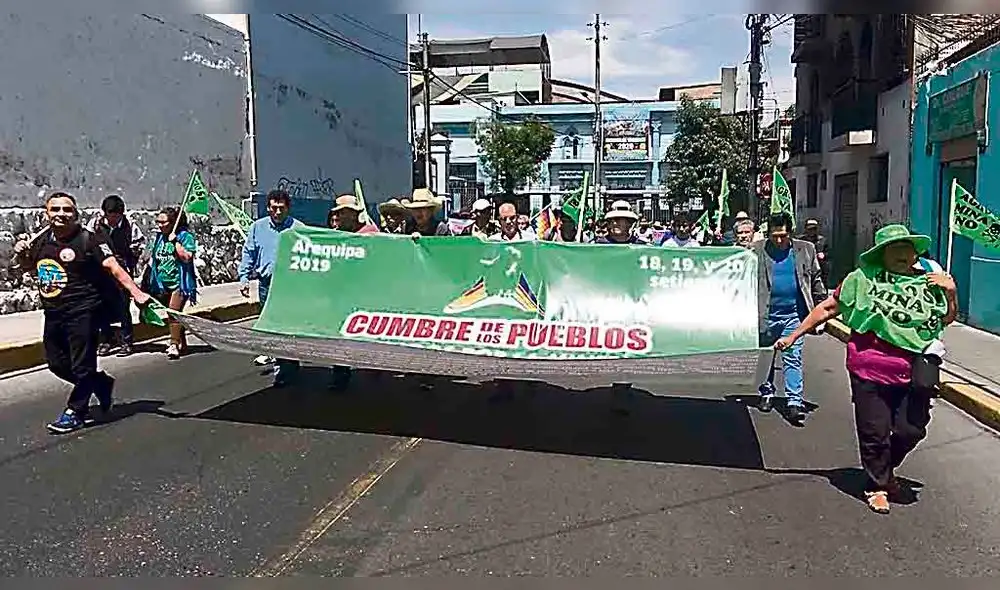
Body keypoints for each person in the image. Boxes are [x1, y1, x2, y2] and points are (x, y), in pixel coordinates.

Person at [775, 224, 957, 514]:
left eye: (907, 248)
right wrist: (794, 335)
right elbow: (828, 308)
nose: (901, 254)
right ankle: (878, 485)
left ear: (914, 254)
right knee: (875, 432)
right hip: (868, 368)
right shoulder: (860, 280)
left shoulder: (930, 282)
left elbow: (945, 320)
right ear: (881, 254)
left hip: (914, 369)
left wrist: (950, 293)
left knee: (912, 429)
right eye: (894, 249)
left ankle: (884, 469)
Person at [12, 192, 152, 434]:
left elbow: (113, 266)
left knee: (82, 365)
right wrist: (21, 252)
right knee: (56, 363)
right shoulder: (42, 239)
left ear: (75, 214)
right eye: (55, 209)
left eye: (67, 210)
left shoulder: (89, 239)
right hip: (54, 311)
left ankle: (75, 411)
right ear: (47, 213)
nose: (61, 214)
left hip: (84, 310)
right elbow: (27, 267)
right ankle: (100, 382)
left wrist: (136, 293)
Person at [751, 212, 827, 423]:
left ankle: (795, 401)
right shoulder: (756, 251)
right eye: (774, 236)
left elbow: (815, 280)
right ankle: (766, 392)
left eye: (783, 236)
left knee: (793, 357)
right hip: (765, 315)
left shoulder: (806, 250)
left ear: (790, 234)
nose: (778, 240)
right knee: (766, 358)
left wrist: (822, 308)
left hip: (794, 315)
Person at [239, 189, 301, 386]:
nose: (277, 212)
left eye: (281, 208)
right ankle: (282, 367)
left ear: (288, 209)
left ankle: (288, 366)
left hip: (290, 286)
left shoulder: (298, 228)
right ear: (268, 208)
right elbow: (249, 252)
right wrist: (244, 277)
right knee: (272, 327)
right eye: (273, 208)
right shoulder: (258, 227)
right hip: (267, 285)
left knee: (288, 327)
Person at [88, 194, 145, 357]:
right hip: (101, 271)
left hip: (122, 270)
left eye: (116, 216)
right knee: (101, 306)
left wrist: (131, 256)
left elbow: (139, 244)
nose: (112, 220)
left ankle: (127, 341)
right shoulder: (95, 224)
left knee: (123, 306)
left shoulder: (130, 226)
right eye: (109, 216)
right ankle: (106, 340)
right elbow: (87, 241)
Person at [799, 218, 830, 285]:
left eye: (814, 229)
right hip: (805, 267)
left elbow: (829, 253)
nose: (812, 231)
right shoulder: (801, 241)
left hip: (820, 267)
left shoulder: (822, 240)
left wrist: (824, 255)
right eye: (810, 229)